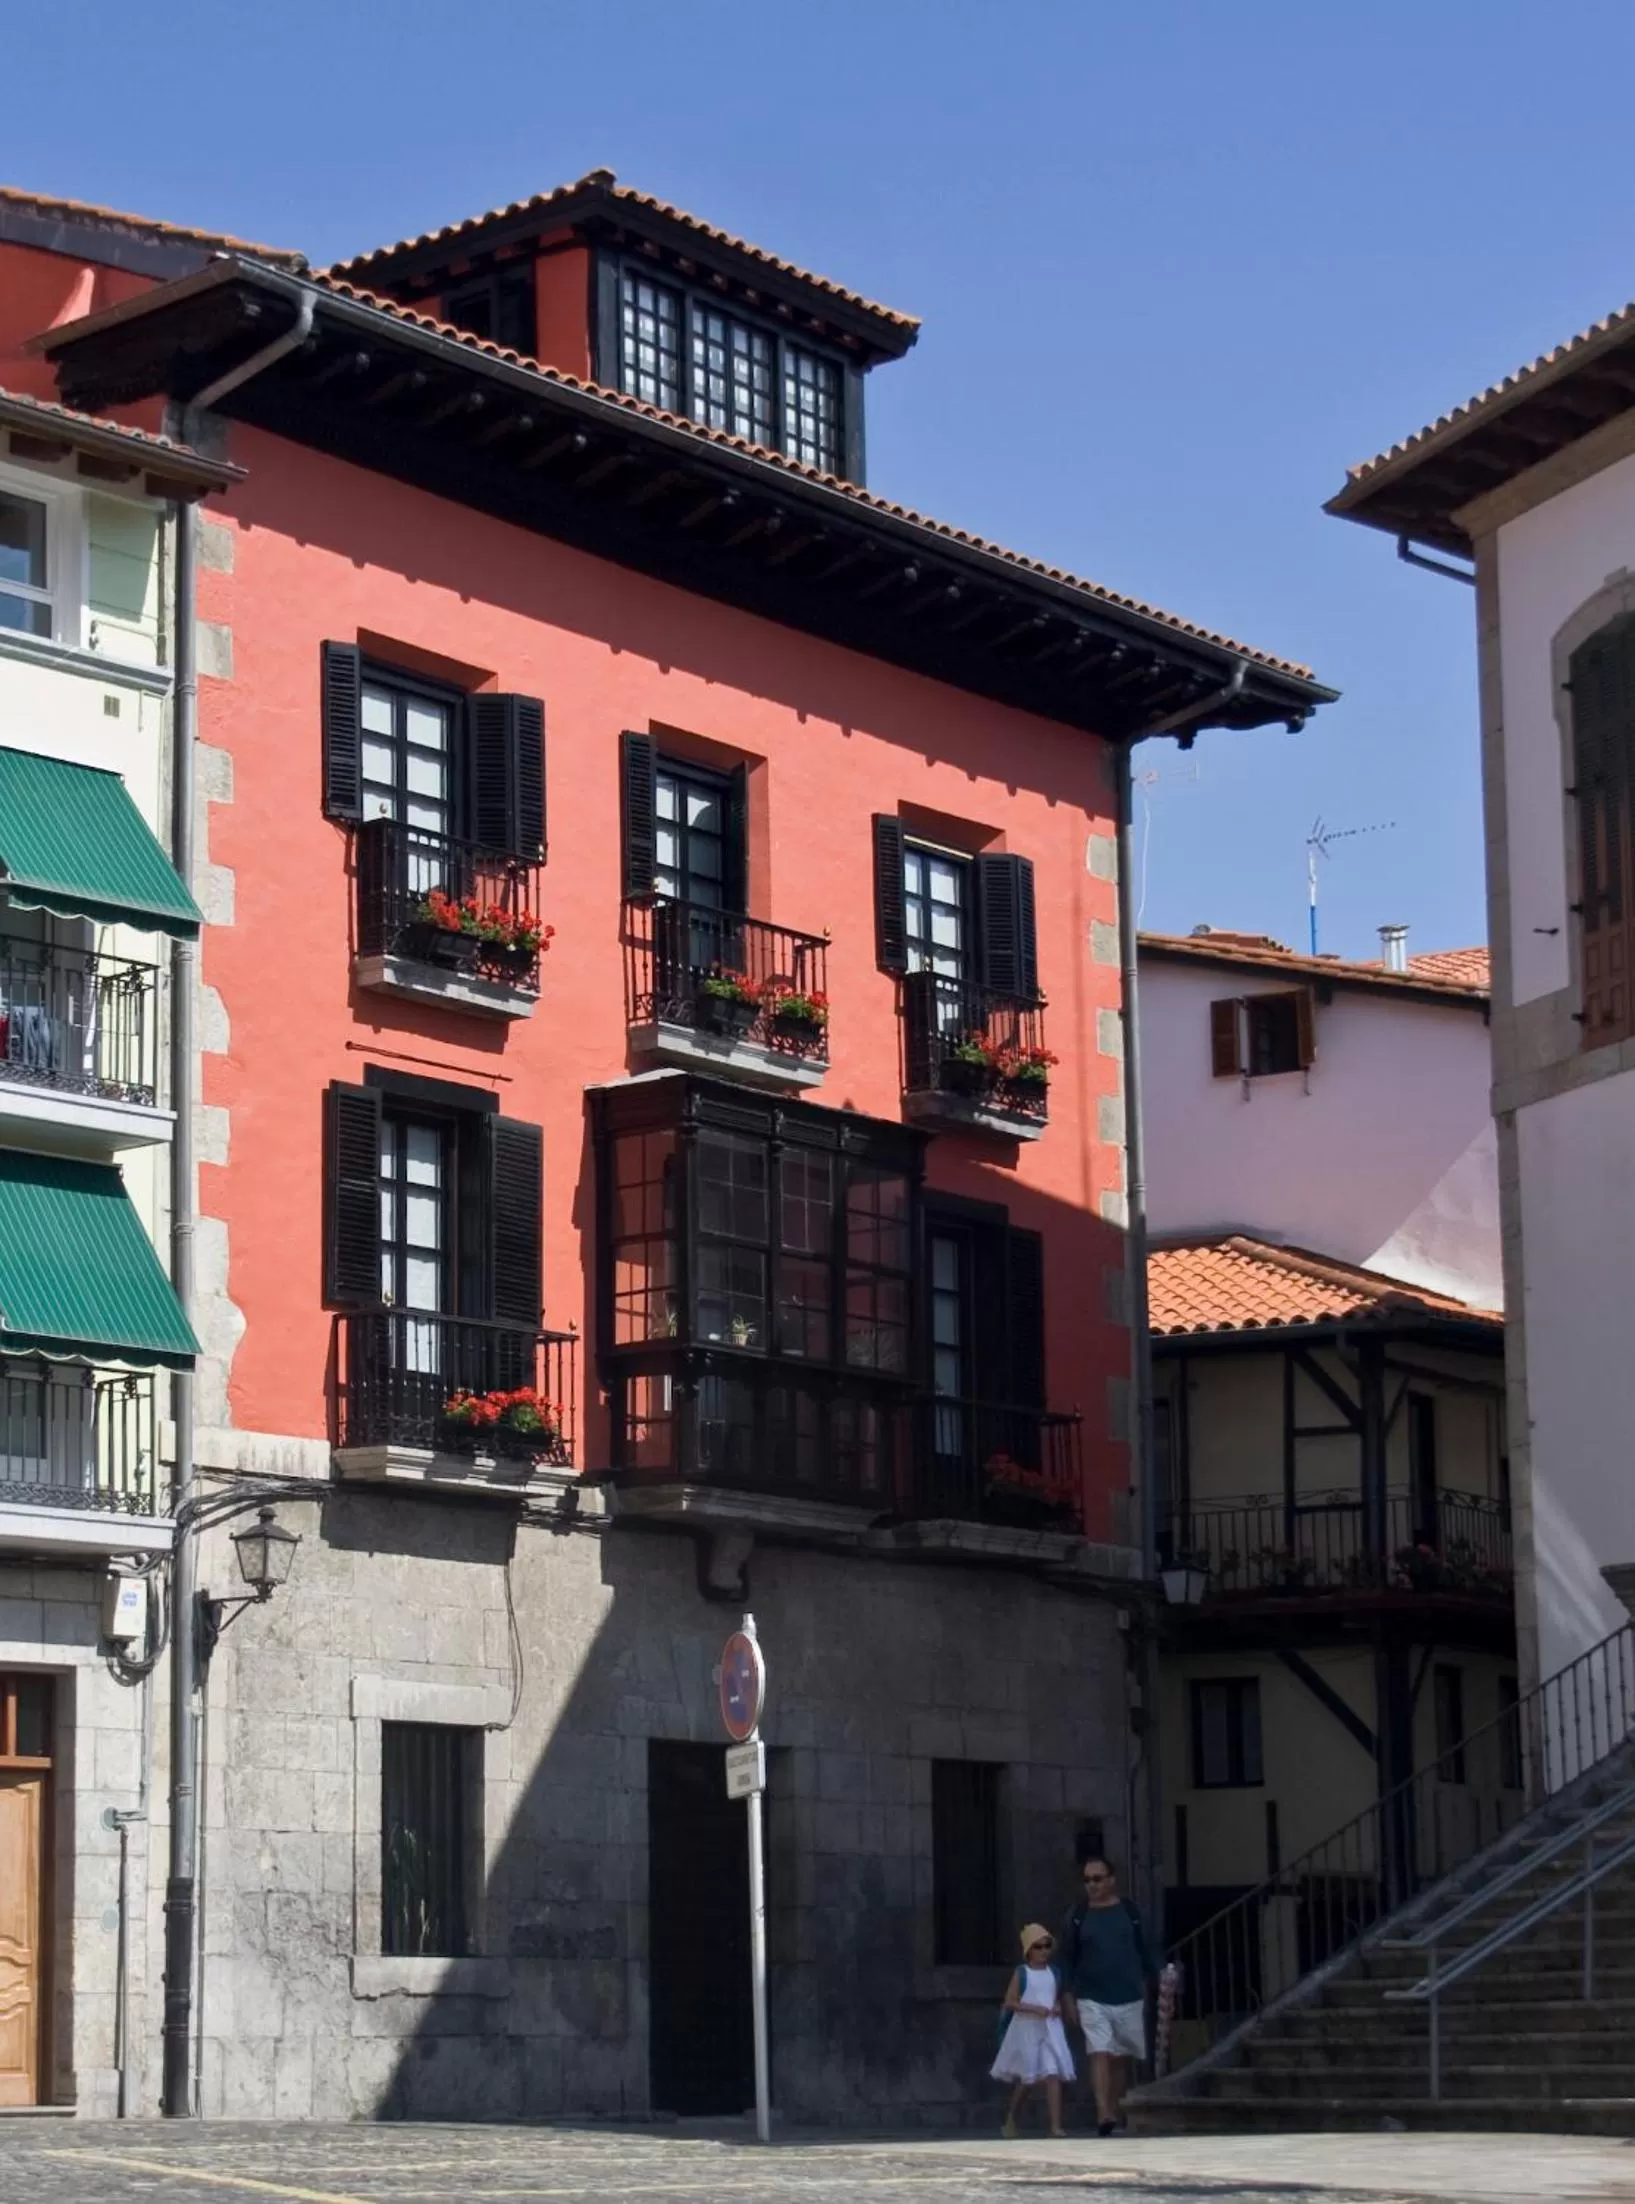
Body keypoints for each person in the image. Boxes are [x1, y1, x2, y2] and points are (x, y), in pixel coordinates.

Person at [1060, 1853, 1159, 2135]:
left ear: (1111, 1880)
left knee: (1119, 2057)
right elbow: (1066, 1957)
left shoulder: (1130, 1912)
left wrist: (1162, 1978)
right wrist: (1066, 1995)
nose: (1092, 1885)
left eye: (1098, 1879)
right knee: (1099, 2051)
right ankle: (1102, 2110)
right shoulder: (1078, 1916)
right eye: (1087, 1880)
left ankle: (1112, 2109)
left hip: (1129, 1994)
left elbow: (1148, 1948)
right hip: (1091, 1995)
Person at [990, 1923, 1074, 2138]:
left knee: (1052, 2072)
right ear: (1029, 1950)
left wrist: (1056, 2007)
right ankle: (1012, 2116)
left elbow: (1055, 1996)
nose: (1043, 1951)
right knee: (1028, 2079)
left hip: (1049, 2027)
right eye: (1038, 1947)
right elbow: (1010, 2001)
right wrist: (1033, 2008)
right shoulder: (1022, 1972)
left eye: (1047, 1946)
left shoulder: (1054, 1972)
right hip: (1027, 2028)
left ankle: (1055, 2125)